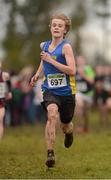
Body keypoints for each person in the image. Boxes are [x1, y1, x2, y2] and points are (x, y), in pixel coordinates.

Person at [30, 13, 76, 167]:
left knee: (66, 124)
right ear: (50, 28)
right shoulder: (44, 45)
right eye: (54, 25)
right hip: (49, 89)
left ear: (65, 30)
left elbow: (72, 70)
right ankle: (50, 153)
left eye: (60, 26)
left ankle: (69, 133)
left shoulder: (66, 47)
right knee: (51, 115)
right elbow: (44, 61)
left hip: (67, 92)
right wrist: (37, 74)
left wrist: (51, 60)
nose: (56, 27)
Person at [75, 56, 95, 133]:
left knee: (86, 112)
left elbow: (92, 81)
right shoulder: (74, 69)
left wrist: (83, 74)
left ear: (84, 61)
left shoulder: (88, 69)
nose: (80, 62)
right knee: (79, 105)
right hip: (78, 93)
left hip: (88, 94)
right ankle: (79, 126)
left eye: (81, 60)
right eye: (78, 60)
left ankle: (86, 127)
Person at [0, 62, 12, 139]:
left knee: (0, 120)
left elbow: (9, 83)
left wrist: (10, 92)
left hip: (1, 101)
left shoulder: (5, 75)